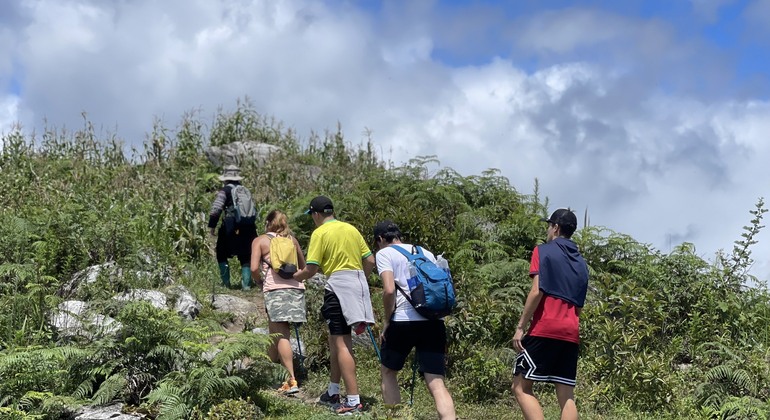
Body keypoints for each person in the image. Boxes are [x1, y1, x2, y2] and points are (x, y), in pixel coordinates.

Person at [293, 195, 376, 415]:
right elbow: (370, 260)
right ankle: (333, 391)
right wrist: (359, 280)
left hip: (337, 287)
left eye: (312, 215)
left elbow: (310, 270)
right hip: (358, 283)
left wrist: (295, 276)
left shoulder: (320, 232)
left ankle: (353, 400)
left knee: (341, 343)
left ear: (317, 214)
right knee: (334, 340)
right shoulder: (351, 229)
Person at [373, 221, 456, 420]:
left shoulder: (384, 254)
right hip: (434, 320)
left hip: (403, 321)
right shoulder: (424, 252)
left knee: (388, 372)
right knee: (436, 382)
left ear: (380, 240)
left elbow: (389, 290)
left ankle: (396, 417)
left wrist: (386, 321)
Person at [511, 208, 589, 420]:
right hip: (571, 332)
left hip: (545, 327)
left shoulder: (543, 251)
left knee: (521, 386)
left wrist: (520, 327)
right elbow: (579, 307)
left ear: (555, 227)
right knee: (566, 394)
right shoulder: (582, 264)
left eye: (549, 225)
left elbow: (537, 290)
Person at [250, 210, 307, 395]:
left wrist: (260, 281)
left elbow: (253, 268)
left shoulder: (260, 241)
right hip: (296, 290)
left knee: (281, 334)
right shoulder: (292, 240)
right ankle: (270, 370)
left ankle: (291, 380)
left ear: (267, 223)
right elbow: (304, 267)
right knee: (274, 331)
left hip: (275, 290)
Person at [208, 165, 257, 290]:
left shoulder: (225, 191)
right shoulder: (245, 190)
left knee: (221, 253)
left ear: (226, 178)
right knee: (246, 255)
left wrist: (212, 226)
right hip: (248, 226)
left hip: (231, 225)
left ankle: (226, 284)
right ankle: (246, 285)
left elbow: (216, 209)